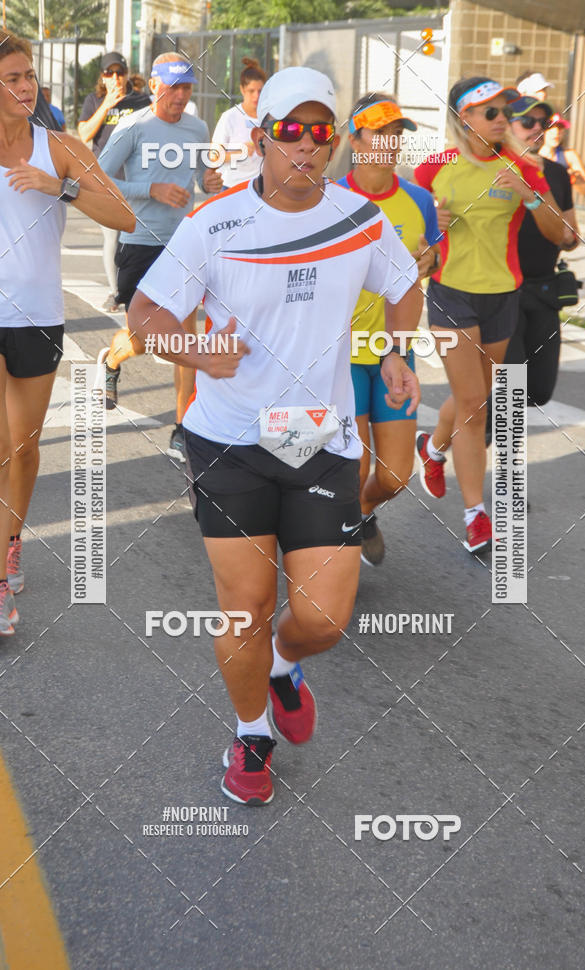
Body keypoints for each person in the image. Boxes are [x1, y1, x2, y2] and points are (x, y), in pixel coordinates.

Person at [127, 66, 423, 804]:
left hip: (321, 440)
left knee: (322, 619)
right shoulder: (216, 223)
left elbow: (404, 286)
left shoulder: (361, 219)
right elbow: (146, 317)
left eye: (320, 132)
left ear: (332, 142)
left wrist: (394, 350)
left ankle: (286, 665)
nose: (305, 145)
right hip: (228, 441)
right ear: (261, 138)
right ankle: (252, 731)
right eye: (289, 131)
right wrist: (196, 353)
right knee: (245, 607)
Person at [0, 29, 134, 633]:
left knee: (24, 450)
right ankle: (0, 582)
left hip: (36, 317)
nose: (25, 86)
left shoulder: (60, 147)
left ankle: (10, 542)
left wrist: (61, 185)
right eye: (12, 78)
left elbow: (123, 214)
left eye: (29, 76)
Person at [413, 77, 564, 553]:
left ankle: (432, 447)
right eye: (491, 113)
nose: (502, 121)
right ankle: (476, 515)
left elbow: (561, 234)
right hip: (451, 295)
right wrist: (427, 225)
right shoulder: (435, 166)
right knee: (476, 405)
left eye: (505, 112)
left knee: (471, 395)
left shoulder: (522, 167)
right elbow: (404, 216)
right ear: (465, 119)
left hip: (503, 298)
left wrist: (530, 194)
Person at [96, 52, 222, 461]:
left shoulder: (197, 126)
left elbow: (203, 182)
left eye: (187, 87)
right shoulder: (133, 128)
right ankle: (112, 358)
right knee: (147, 337)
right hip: (140, 243)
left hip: (183, 243)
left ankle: (183, 427)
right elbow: (99, 177)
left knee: (184, 337)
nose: (181, 95)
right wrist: (150, 190)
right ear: (154, 86)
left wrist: (209, 181)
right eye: (173, 87)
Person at [339, 92, 441, 565]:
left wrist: (430, 261)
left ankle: (360, 513)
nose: (390, 141)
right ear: (354, 138)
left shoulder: (419, 199)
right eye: (379, 131)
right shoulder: (327, 197)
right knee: (354, 466)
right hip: (338, 353)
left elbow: (433, 265)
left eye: (397, 132)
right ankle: (332, 563)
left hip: (392, 349)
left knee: (396, 476)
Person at [490, 97, 578, 422]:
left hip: (543, 291)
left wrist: (537, 193)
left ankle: (468, 429)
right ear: (508, 126)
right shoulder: (492, 169)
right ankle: (507, 469)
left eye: (544, 122)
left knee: (538, 391)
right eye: (528, 122)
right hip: (502, 292)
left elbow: (569, 236)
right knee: (510, 394)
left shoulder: (556, 173)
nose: (538, 129)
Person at [78, 52, 151, 312]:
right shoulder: (94, 100)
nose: (116, 78)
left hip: (135, 180)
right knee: (112, 237)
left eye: (120, 72)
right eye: (110, 73)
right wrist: (107, 105)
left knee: (136, 238)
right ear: (103, 77)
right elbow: (84, 133)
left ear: (127, 74)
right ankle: (116, 291)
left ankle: (137, 290)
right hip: (105, 181)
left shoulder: (141, 100)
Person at [211, 58, 266, 188]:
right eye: (251, 91)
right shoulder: (229, 117)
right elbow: (213, 157)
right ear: (242, 89)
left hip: (260, 188)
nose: (256, 96)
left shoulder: (269, 118)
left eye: (260, 91)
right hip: (231, 188)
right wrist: (239, 153)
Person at [540, 113, 585, 198]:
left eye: (560, 127)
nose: (556, 132)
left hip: (559, 208)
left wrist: (573, 179)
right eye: (551, 127)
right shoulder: (529, 154)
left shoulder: (569, 156)